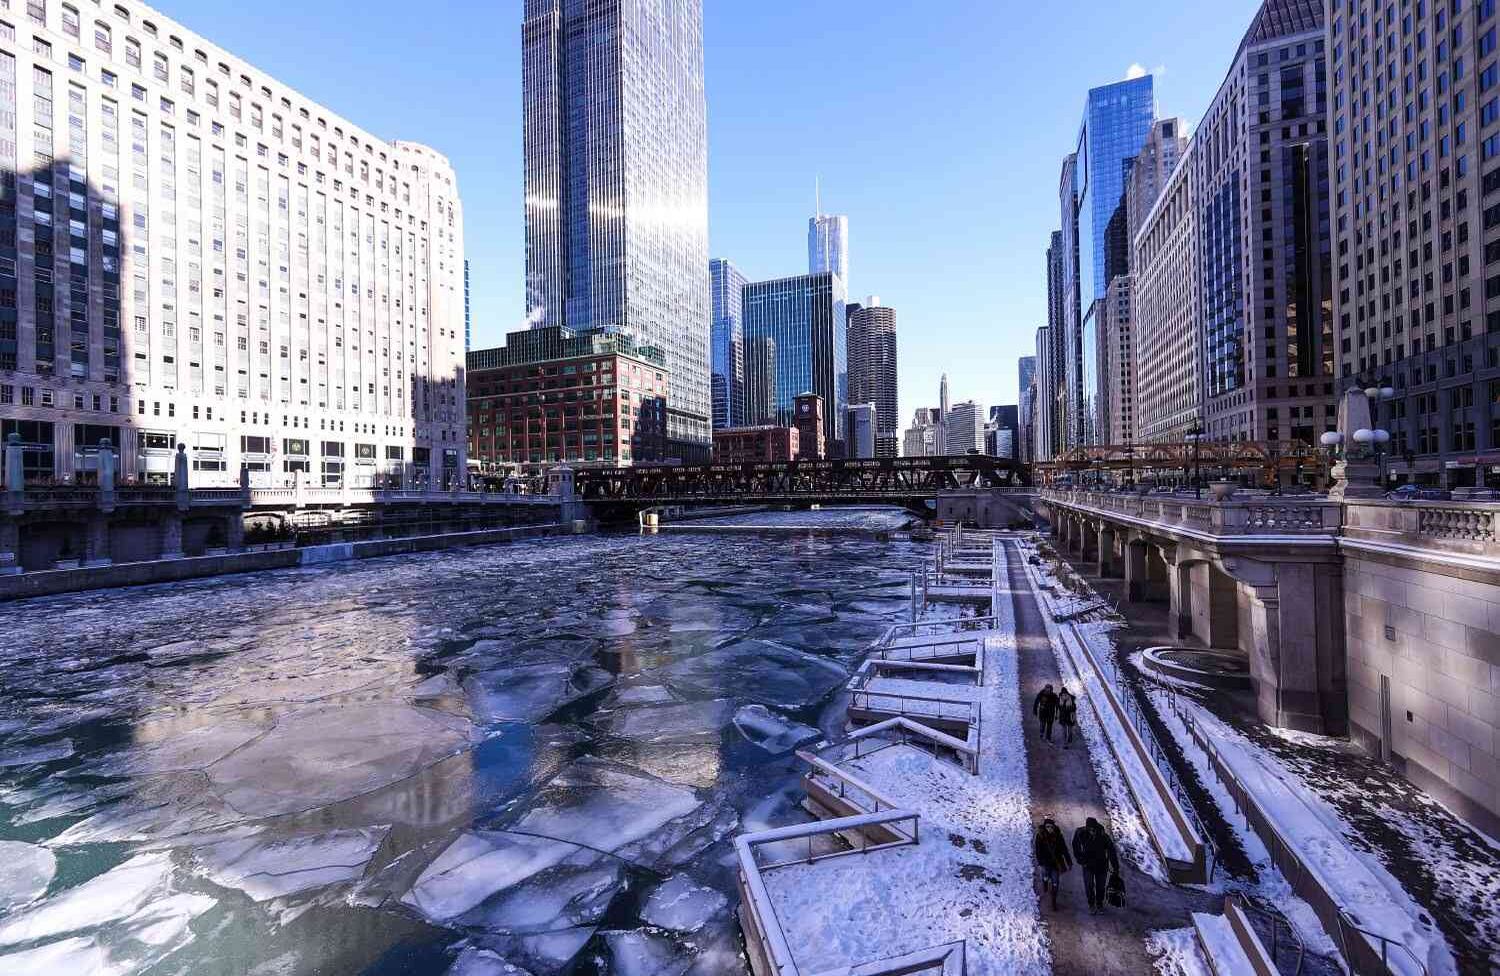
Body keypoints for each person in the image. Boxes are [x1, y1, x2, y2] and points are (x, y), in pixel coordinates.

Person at [1072, 817, 1121, 915]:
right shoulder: (1080, 833)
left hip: (1101, 865)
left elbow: (1111, 851)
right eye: (1090, 829)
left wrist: (1115, 867)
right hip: (1087, 865)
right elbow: (1075, 846)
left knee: (1100, 886)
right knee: (1089, 886)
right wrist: (1080, 860)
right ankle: (1091, 904)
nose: (1092, 831)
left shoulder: (1103, 836)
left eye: (1093, 829)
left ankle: (1099, 904)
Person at [1032, 817, 1072, 910]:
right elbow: (1038, 850)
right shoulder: (1040, 836)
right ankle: (1045, 883)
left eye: (1051, 827)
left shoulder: (1058, 836)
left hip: (1056, 863)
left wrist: (1068, 862)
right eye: (1047, 827)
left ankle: (1053, 900)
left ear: (1054, 827)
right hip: (1045, 862)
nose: (1049, 829)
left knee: (1055, 882)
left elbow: (1064, 849)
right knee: (1045, 875)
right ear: (1045, 827)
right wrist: (1040, 861)